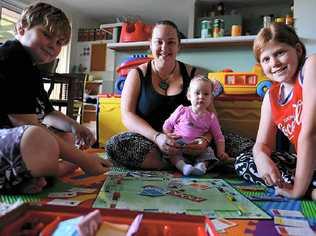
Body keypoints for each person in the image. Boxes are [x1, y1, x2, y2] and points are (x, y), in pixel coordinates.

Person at [106, 20, 251, 170]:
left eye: (171, 42)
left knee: (247, 147)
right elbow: (127, 116)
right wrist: (158, 137)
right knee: (116, 145)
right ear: (150, 45)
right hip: (152, 142)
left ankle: (195, 159)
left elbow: (211, 115)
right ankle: (187, 163)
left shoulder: (195, 75)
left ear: (178, 46)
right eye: (159, 42)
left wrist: (205, 140)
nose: (164, 48)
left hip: (195, 142)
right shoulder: (136, 74)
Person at [0, 2, 112, 194]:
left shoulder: (31, 68)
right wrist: (83, 160)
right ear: (21, 28)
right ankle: (52, 171)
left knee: (65, 136)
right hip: (9, 138)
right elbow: (26, 124)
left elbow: (47, 113)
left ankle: (31, 177)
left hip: (11, 142)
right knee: (39, 138)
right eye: (46, 34)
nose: (53, 45)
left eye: (59, 42)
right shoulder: (12, 56)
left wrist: (75, 126)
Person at [234, 22, 316, 199]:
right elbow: (262, 145)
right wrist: (261, 157)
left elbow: (309, 134)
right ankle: (307, 187)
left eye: (280, 53)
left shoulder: (312, 67)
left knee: (297, 180)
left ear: (298, 50)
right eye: (266, 59)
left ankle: (303, 188)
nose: (274, 63)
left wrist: (297, 192)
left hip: (309, 161)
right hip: (307, 164)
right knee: (244, 162)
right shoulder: (271, 97)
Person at [162, 75, 231, 176]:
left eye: (206, 94)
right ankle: (183, 167)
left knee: (209, 152)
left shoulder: (211, 117)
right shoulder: (181, 110)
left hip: (199, 148)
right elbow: (167, 124)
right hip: (180, 144)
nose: (201, 97)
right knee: (172, 152)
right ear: (189, 95)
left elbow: (218, 136)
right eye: (197, 93)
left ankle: (201, 166)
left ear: (211, 98)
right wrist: (167, 134)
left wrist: (221, 152)